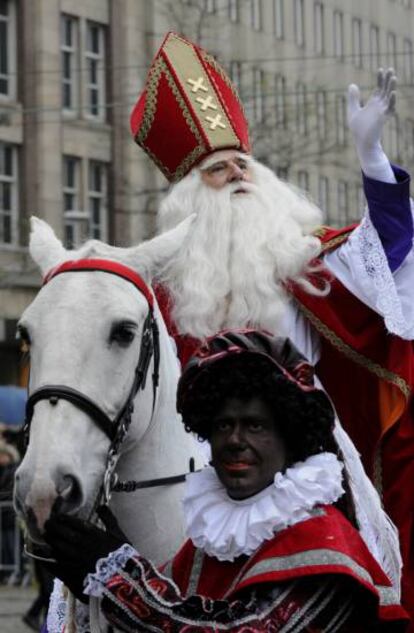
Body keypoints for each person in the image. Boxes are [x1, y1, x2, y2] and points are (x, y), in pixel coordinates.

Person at [129, 32, 414, 616]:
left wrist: (371, 159)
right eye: (217, 169)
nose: (236, 173)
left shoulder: (302, 260)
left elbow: (389, 250)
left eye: (242, 163)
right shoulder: (162, 292)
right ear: (189, 197)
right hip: (198, 477)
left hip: (308, 476)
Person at [43, 330, 409, 631]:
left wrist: (118, 578)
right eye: (223, 426)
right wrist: (101, 569)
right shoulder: (211, 541)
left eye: (254, 425)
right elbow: (170, 603)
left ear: (289, 438)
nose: (235, 440)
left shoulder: (322, 540)